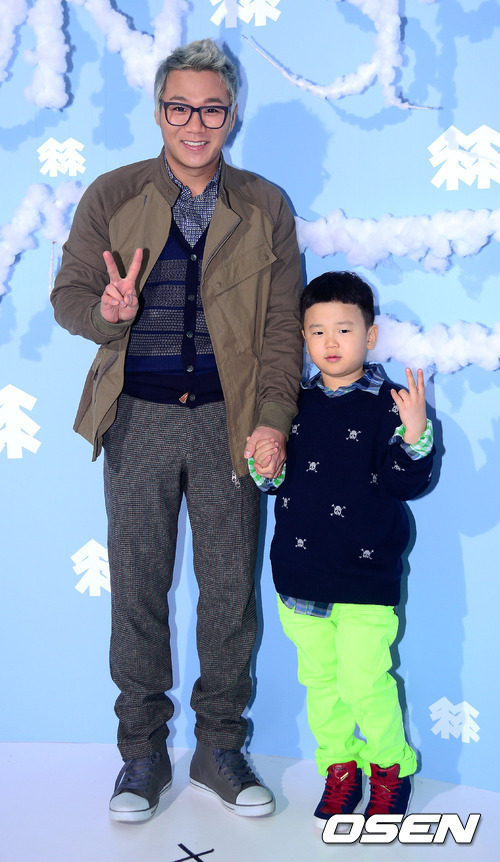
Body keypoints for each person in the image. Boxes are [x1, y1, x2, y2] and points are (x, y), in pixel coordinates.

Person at [51, 38, 303, 823]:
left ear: (233, 114)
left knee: (229, 594)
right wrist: (107, 313)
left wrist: (272, 421)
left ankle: (219, 748)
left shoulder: (265, 205)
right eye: (180, 108)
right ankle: (141, 753)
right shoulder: (113, 193)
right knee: (138, 588)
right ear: (159, 112)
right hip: (139, 419)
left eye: (212, 109)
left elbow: (282, 331)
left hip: (231, 423)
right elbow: (68, 295)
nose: (196, 124)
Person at [249, 271, 435, 826]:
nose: (330, 343)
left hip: (365, 578)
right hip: (299, 575)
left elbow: (404, 484)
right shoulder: (291, 403)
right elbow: (274, 482)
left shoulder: (388, 403)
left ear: (370, 336)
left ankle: (390, 769)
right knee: (322, 686)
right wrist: (264, 463)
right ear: (303, 339)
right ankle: (339, 768)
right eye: (317, 331)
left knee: (364, 681)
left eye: (344, 330)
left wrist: (415, 433)